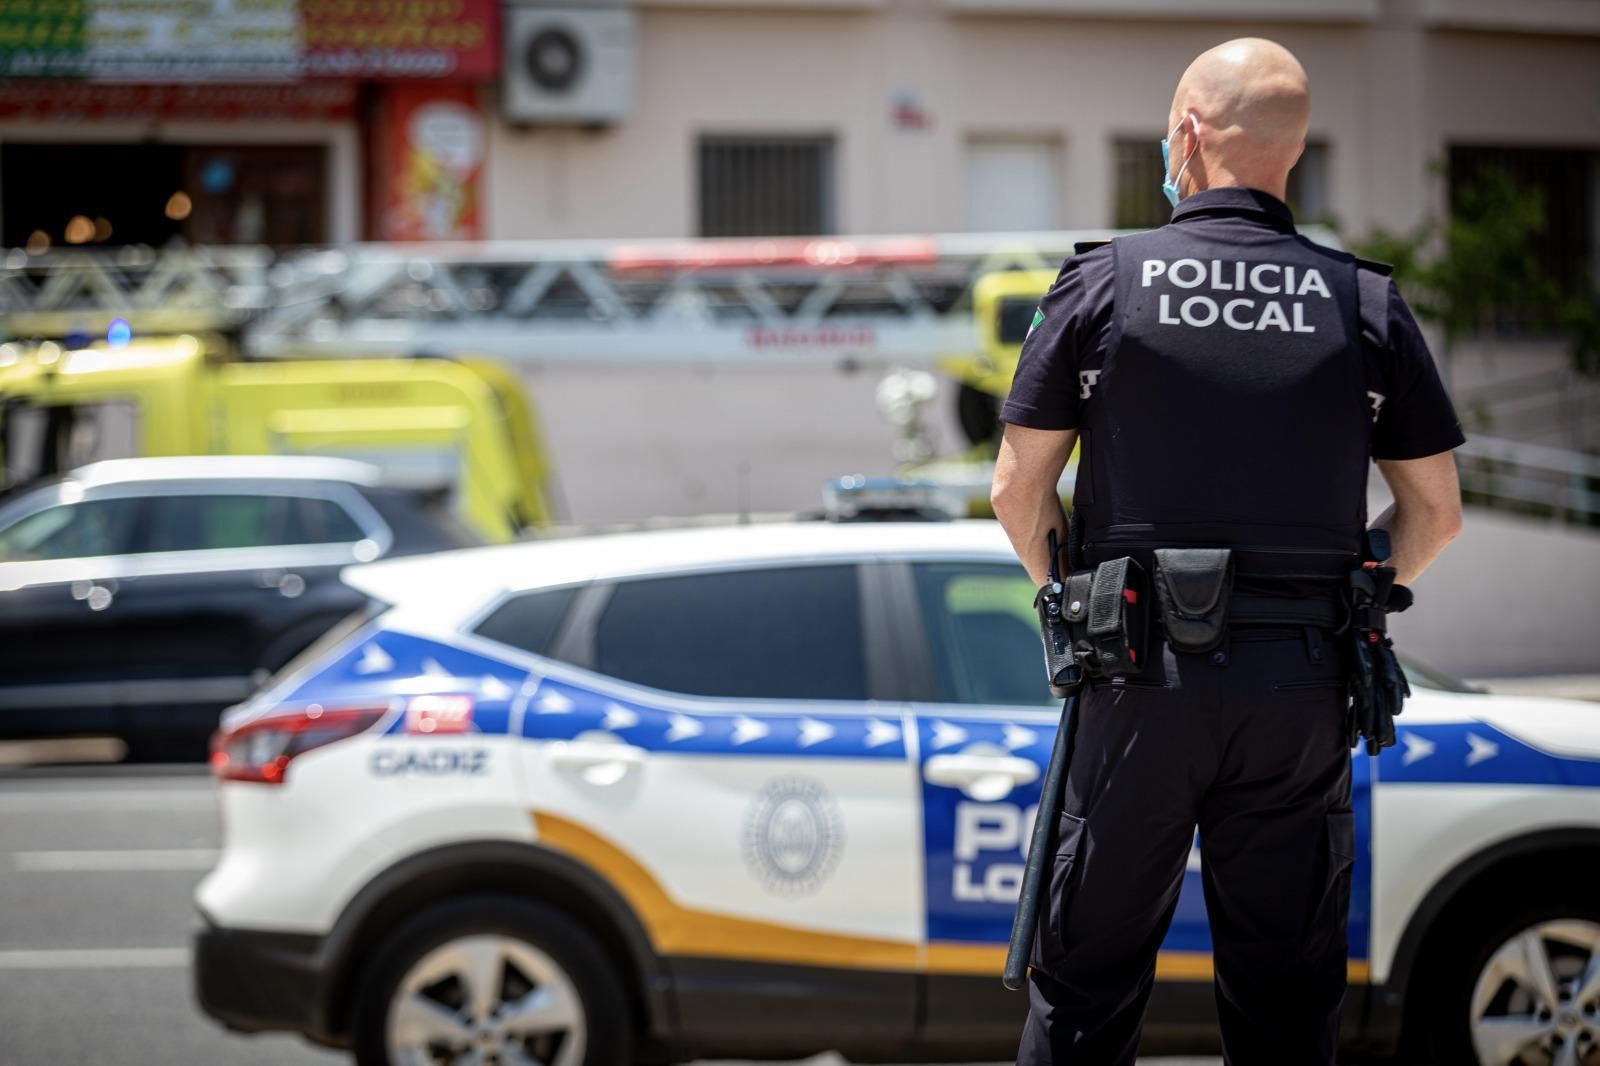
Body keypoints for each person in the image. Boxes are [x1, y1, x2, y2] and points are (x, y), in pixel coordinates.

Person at [990, 37, 1464, 1066]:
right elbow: (1435, 512)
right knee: (1286, 1008)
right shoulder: (1362, 302)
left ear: (1189, 134)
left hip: (1133, 679)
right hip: (1297, 692)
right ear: (1290, 154)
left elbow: (1016, 487)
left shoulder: (1102, 283)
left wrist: (1069, 604)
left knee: (1083, 992)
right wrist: (1361, 596)